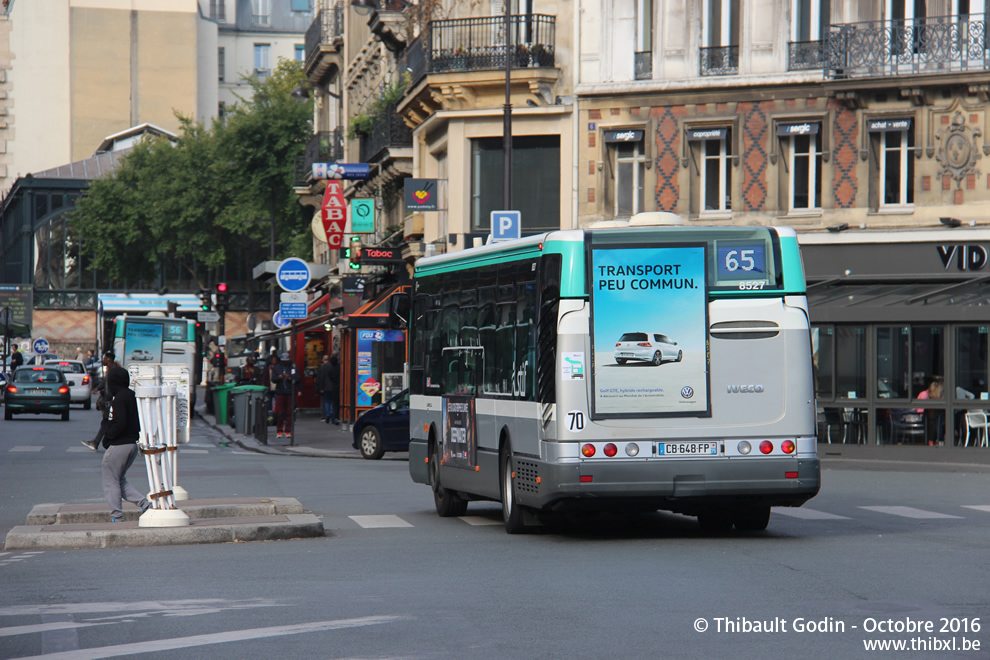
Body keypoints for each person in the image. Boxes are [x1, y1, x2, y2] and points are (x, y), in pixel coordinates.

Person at [95, 365, 151, 521]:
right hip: (132, 444)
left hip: (119, 445)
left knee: (110, 482)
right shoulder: (132, 395)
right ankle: (146, 505)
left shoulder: (119, 398)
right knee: (119, 480)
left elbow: (119, 423)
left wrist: (108, 438)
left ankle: (116, 517)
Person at [81, 351, 119, 451]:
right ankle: (100, 442)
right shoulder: (110, 370)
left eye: (105, 358)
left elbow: (110, 385)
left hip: (109, 400)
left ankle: (97, 442)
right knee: (106, 422)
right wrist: (98, 388)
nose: (103, 361)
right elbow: (104, 382)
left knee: (106, 422)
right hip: (108, 399)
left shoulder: (113, 371)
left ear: (109, 360)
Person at [270, 351, 300, 439]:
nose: (285, 362)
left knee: (289, 412)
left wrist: (289, 378)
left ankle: (288, 430)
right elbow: (273, 379)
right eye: (283, 360)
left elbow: (297, 379)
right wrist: (279, 378)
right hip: (280, 391)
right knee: (280, 413)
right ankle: (279, 431)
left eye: (286, 360)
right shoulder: (277, 367)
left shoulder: (293, 367)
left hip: (290, 391)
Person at [315, 354, 340, 424]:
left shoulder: (323, 367)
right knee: (333, 402)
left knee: (326, 401)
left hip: (326, 387)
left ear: (323, 360)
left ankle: (327, 414)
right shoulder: (335, 366)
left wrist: (320, 387)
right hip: (334, 387)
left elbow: (321, 378)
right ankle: (333, 416)